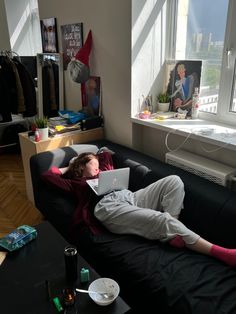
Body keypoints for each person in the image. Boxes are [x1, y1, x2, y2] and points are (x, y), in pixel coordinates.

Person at [42, 151, 236, 267]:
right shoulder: (77, 182)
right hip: (107, 207)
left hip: (131, 197)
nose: (98, 169)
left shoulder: (106, 169)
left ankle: (173, 233)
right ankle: (221, 252)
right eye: (94, 166)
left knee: (174, 181)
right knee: (162, 220)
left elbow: (106, 153)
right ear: (82, 166)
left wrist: (96, 157)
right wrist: (70, 166)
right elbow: (48, 176)